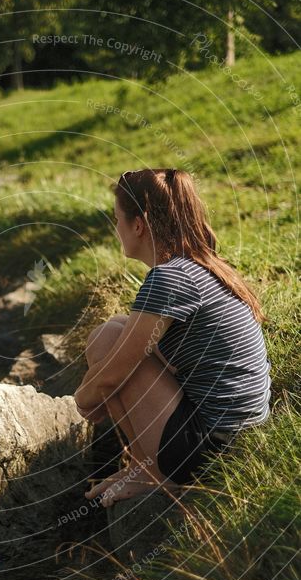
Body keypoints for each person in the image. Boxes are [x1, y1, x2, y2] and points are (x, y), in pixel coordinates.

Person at [74, 168, 271, 504]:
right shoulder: (198, 265)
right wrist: (99, 390)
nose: (115, 227)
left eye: (117, 217)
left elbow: (112, 377)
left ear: (138, 225)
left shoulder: (169, 279)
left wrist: (83, 399)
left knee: (107, 342)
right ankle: (142, 465)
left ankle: (154, 476)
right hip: (236, 432)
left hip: (213, 445)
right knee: (114, 330)